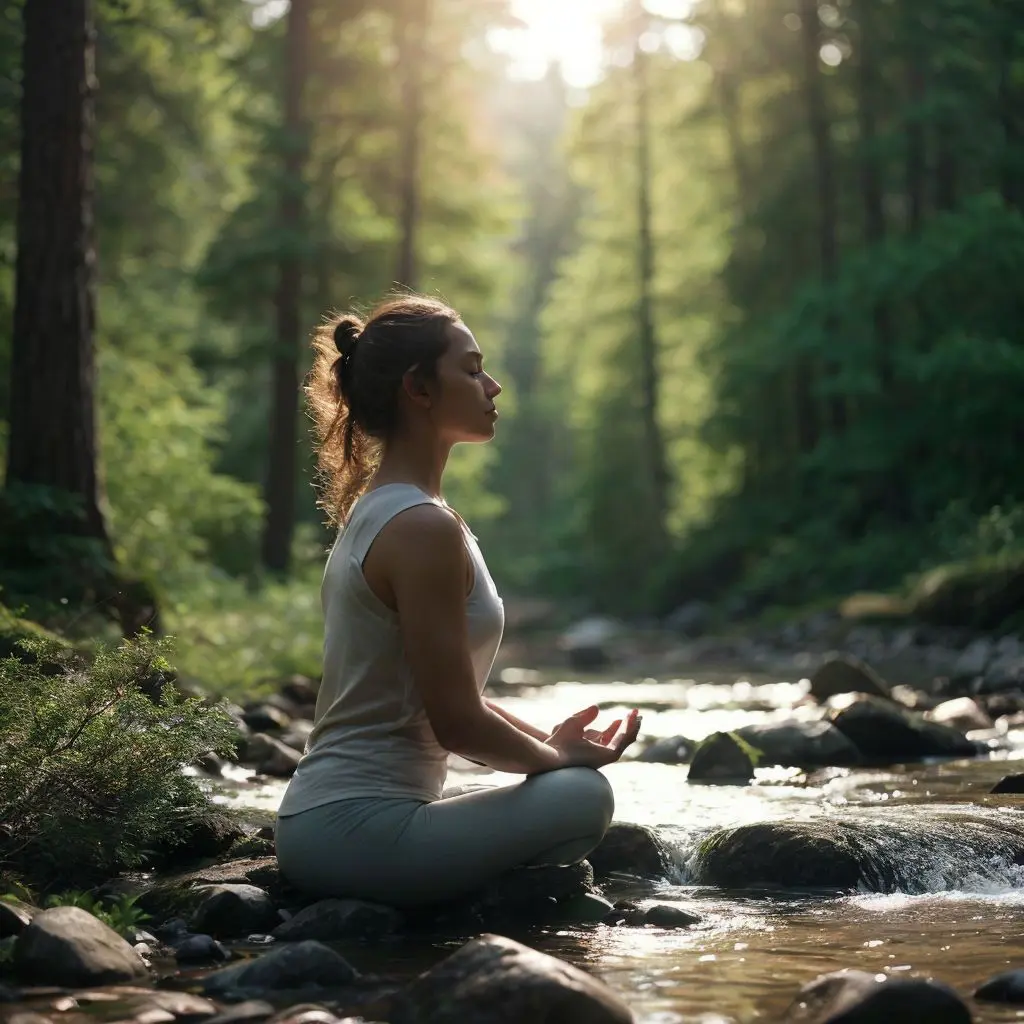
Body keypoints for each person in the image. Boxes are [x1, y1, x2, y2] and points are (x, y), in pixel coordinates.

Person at [275, 294, 641, 908]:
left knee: (571, 782)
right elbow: (457, 722)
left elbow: (446, 692)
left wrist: (550, 742)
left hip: (332, 821)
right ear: (418, 389)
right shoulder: (420, 526)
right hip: (349, 832)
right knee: (582, 797)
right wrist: (555, 760)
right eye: (471, 370)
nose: (492, 385)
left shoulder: (400, 510)